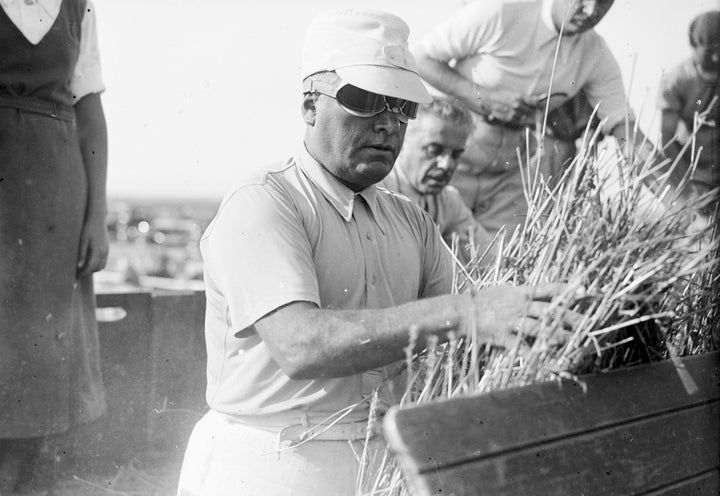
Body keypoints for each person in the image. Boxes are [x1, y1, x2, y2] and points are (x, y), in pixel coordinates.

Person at [176, 8, 578, 496]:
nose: (388, 124)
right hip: (272, 463)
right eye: (366, 100)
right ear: (309, 105)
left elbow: (478, 330)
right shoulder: (264, 202)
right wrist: (465, 313)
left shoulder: (412, 221)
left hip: (384, 465)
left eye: (403, 107)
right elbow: (300, 345)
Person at [413, 0, 667, 239]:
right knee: (426, 241)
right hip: (454, 155)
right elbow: (421, 59)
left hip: (512, 169)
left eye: (603, 2)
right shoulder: (502, 9)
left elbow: (626, 131)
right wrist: (484, 98)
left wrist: (684, 206)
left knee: (491, 260)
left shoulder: (596, 53)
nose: (590, 10)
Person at [0, 0, 109, 493]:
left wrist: (97, 217)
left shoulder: (78, 8)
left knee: (40, 349)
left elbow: (90, 114)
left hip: (54, 195)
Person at [379, 95, 495, 263]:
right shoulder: (377, 191)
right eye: (433, 150)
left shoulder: (448, 200)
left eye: (456, 155)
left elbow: (488, 259)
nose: (446, 165)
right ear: (401, 140)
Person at [658, 10, 719, 208]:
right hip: (691, 169)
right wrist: (686, 183)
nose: (717, 58)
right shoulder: (677, 81)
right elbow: (667, 139)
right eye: (711, 51)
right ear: (694, 46)